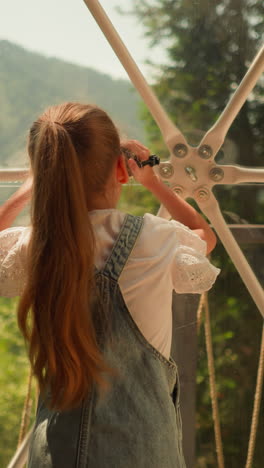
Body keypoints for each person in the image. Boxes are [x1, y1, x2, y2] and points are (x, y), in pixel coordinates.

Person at [0, 102, 219, 468]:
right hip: (145, 452)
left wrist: (31, 186)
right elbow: (205, 237)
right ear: (120, 169)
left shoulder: (38, 244)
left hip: (57, 452)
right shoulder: (153, 238)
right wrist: (154, 182)